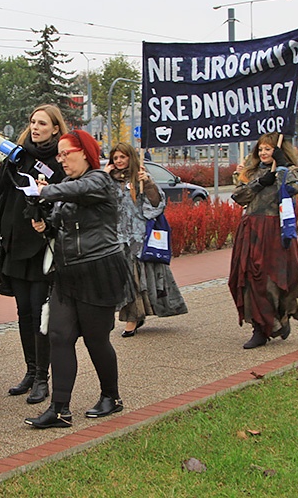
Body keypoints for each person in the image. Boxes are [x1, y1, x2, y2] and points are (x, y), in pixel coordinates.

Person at [24, 129, 129, 429]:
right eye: (58, 155)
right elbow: (61, 224)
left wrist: (44, 191)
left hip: (99, 269)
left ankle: (111, 396)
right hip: (67, 271)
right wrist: (45, 224)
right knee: (58, 335)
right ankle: (59, 409)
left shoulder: (101, 180)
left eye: (65, 153)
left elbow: (79, 190)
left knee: (96, 340)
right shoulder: (67, 186)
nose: (61, 159)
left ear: (84, 152)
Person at [0, 105, 67, 406]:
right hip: (15, 242)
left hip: (40, 245)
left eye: (42, 123)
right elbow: (4, 195)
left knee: (38, 314)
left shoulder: (58, 161)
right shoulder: (17, 154)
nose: (35, 127)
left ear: (55, 128)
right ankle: (31, 371)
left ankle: (43, 378)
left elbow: (64, 197)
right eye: (32, 122)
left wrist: (47, 193)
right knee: (23, 312)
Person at [228, 133, 298, 348]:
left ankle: (280, 317)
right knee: (249, 278)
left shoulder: (287, 171)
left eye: (269, 149)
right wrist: (258, 183)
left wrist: (283, 169)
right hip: (252, 229)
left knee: (274, 278)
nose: (264, 153)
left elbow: (297, 188)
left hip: (276, 230)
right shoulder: (251, 172)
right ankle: (260, 327)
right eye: (261, 149)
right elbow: (239, 196)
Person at [105, 142, 186, 338]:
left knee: (137, 279)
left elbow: (157, 205)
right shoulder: (108, 180)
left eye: (122, 157)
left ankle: (133, 318)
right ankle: (135, 315)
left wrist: (148, 183)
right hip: (117, 238)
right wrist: (103, 176)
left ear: (130, 157)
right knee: (125, 280)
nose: (119, 161)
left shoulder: (140, 178)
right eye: (115, 158)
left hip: (139, 238)